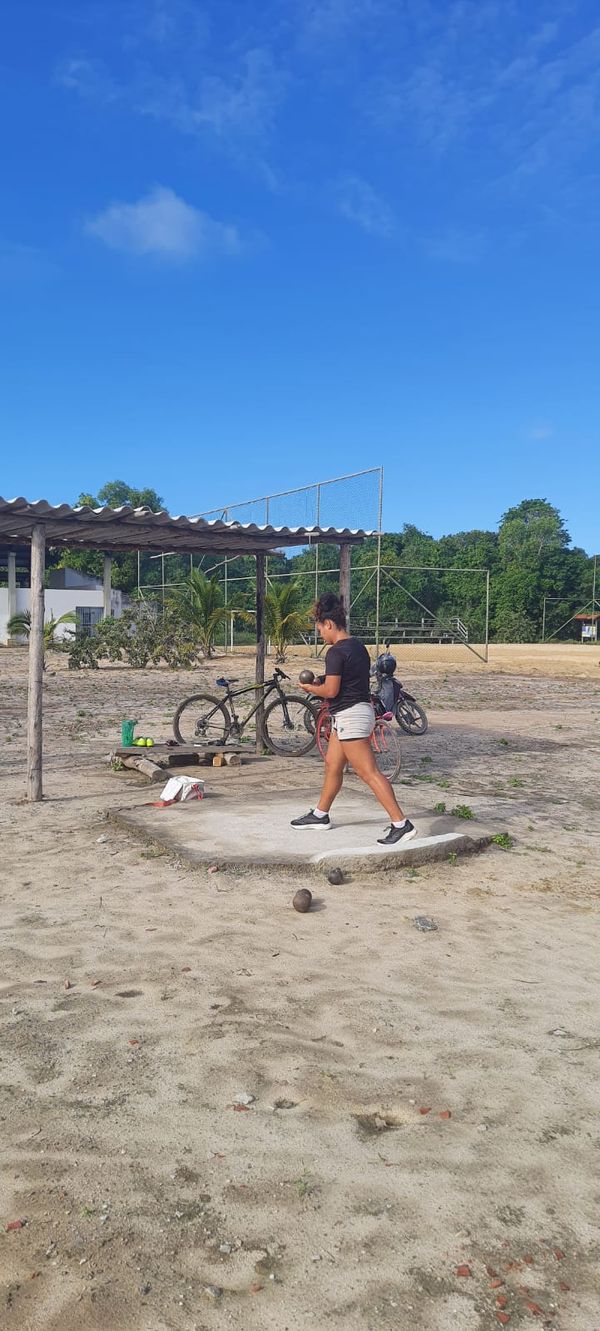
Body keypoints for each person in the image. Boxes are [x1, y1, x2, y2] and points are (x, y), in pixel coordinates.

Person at [291, 592, 416, 845]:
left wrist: (311, 689)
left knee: (369, 773)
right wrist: (323, 681)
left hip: (350, 716)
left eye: (320, 629)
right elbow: (348, 680)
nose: (320, 636)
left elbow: (331, 692)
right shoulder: (357, 647)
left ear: (328, 624)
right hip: (355, 712)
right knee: (333, 765)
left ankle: (401, 824)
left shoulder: (335, 652)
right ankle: (320, 814)